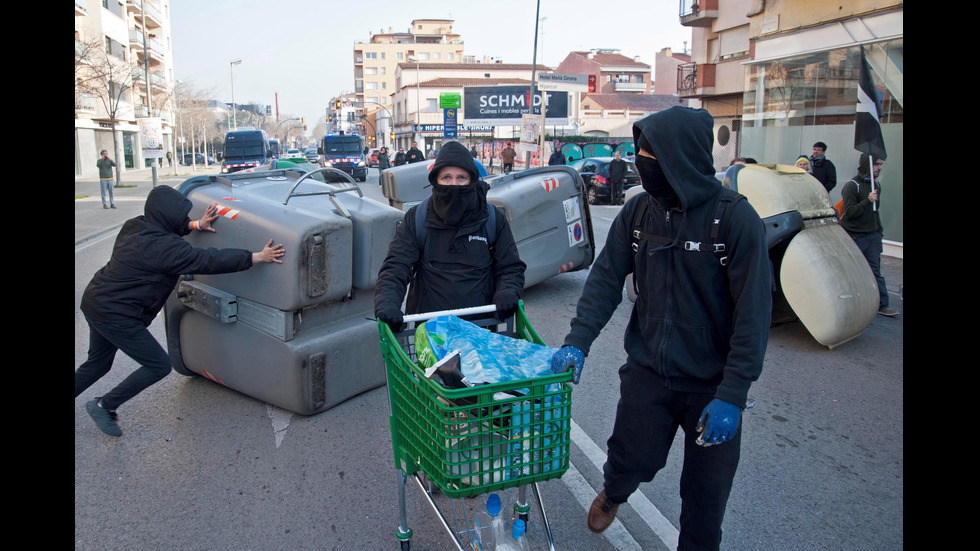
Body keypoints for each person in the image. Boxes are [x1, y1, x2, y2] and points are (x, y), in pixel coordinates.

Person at [550, 106, 772, 550]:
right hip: (649, 371)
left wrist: (733, 393)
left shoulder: (734, 218)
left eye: (648, 154)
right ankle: (614, 494)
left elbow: (754, 312)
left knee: (706, 499)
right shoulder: (638, 213)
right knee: (629, 459)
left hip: (712, 385)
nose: (640, 162)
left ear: (679, 156)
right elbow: (606, 280)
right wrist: (578, 341)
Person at [75, 186, 286, 437]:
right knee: (158, 365)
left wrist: (195, 225)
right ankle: (104, 405)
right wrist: (255, 257)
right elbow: (209, 260)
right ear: (168, 217)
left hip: (95, 300)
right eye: (180, 218)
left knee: (97, 364)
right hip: (117, 314)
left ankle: (101, 404)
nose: (183, 221)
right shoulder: (167, 249)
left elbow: (165, 232)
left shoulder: (135, 226)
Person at [374, 141, 526, 328]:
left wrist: (507, 291)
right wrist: (388, 302)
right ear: (435, 181)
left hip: (480, 329)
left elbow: (510, 267)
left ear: (472, 180)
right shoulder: (418, 218)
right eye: (446, 178)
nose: (454, 184)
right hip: (430, 331)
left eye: (461, 178)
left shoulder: (492, 219)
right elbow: (397, 266)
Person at [840, 154, 898, 317]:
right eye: (877, 164)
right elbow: (849, 212)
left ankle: (882, 304)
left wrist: (878, 232)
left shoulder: (876, 185)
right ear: (867, 165)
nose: (880, 167)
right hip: (855, 237)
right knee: (852, 272)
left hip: (872, 236)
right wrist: (867, 200)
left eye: (881, 164)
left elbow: (874, 212)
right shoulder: (852, 186)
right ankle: (849, 304)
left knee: (875, 270)